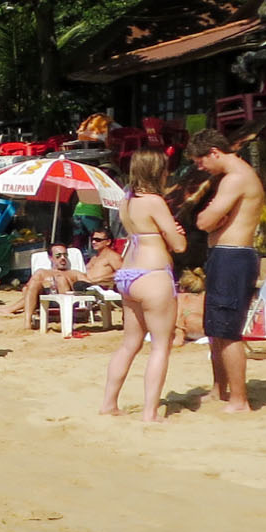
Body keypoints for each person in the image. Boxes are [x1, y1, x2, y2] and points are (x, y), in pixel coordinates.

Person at [99, 150, 189, 421]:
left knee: (129, 344)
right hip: (153, 274)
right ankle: (150, 412)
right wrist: (175, 231)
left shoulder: (126, 199)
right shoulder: (154, 201)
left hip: (129, 274)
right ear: (157, 172)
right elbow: (179, 245)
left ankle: (109, 403)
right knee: (161, 345)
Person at [189, 129, 265, 412]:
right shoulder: (235, 178)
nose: (200, 167)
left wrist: (208, 216)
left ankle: (239, 399)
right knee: (216, 327)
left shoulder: (235, 179)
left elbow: (206, 221)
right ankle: (220, 389)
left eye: (201, 161)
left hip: (234, 257)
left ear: (214, 153)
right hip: (226, 256)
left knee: (228, 329)